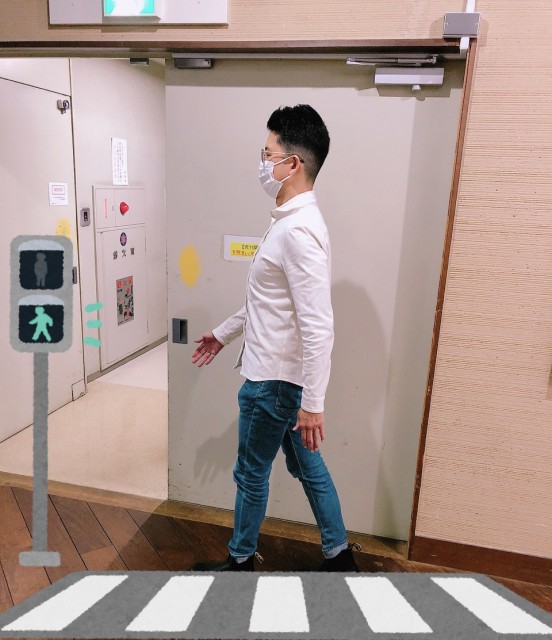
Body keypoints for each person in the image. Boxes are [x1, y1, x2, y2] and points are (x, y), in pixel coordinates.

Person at [191, 104, 358, 572]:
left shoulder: (298, 232)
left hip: (272, 383)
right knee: (306, 466)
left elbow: (318, 325)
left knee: (250, 473)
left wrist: (313, 404)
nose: (262, 162)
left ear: (292, 163)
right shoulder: (288, 222)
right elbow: (268, 302)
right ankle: (339, 554)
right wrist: (223, 335)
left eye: (268, 153)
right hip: (281, 380)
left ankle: (240, 561)